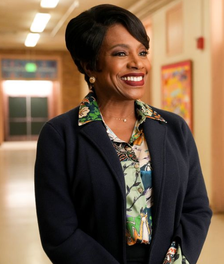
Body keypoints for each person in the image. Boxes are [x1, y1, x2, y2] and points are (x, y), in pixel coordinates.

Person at [34, 4, 212, 264]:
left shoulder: (173, 127)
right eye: (120, 53)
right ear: (89, 65)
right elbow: (59, 232)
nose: (137, 63)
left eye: (142, 52)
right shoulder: (60, 136)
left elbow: (196, 208)